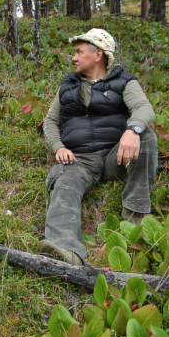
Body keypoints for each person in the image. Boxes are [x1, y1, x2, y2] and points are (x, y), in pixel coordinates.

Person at [38, 28, 157, 266]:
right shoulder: (68, 85)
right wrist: (58, 147)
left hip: (117, 156)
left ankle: (135, 217)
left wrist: (132, 131)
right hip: (79, 159)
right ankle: (65, 248)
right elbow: (51, 121)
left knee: (147, 136)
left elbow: (144, 109)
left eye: (79, 52)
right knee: (64, 184)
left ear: (98, 55)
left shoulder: (124, 81)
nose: (74, 57)